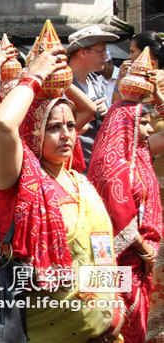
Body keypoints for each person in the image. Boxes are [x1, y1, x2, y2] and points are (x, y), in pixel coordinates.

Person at [0, 47, 124, 342]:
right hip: (42, 332)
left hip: (103, 330)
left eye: (71, 126)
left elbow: (100, 251)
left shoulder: (80, 182)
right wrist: (35, 74)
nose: (66, 135)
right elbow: (1, 124)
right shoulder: (17, 182)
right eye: (53, 128)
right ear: (32, 131)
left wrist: (113, 305)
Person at [88, 87, 164, 343]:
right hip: (120, 259)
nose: (149, 129)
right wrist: (145, 249)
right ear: (126, 124)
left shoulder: (138, 153)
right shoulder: (111, 165)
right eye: (142, 123)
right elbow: (118, 216)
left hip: (141, 260)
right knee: (120, 327)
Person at [66, 24, 119, 169]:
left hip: (99, 164)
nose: (106, 57)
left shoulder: (97, 83)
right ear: (83, 53)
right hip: (73, 165)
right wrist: (88, 113)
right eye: (101, 51)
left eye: (105, 51)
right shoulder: (59, 85)